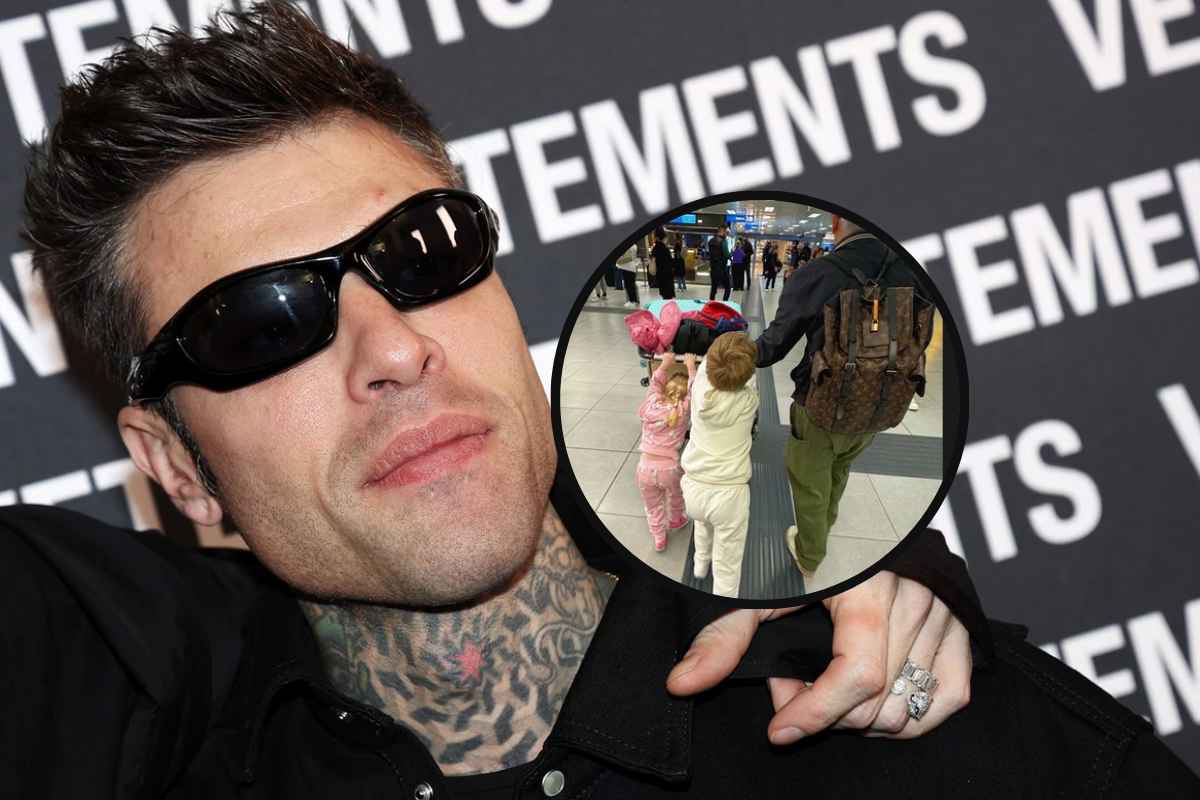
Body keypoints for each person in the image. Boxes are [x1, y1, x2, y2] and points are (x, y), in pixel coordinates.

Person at [7, 3, 1197, 797]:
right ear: (178, 466)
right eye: (258, 323)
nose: (394, 348)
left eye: (423, 251)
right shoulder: (129, 738)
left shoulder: (907, 716)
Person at [755, 217, 913, 580]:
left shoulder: (819, 273)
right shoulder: (910, 271)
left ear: (836, 221)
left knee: (809, 481)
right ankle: (824, 523)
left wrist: (728, 351)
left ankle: (809, 556)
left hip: (822, 406)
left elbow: (771, 348)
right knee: (840, 467)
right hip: (881, 404)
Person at [680, 333, 759, 598]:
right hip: (730, 495)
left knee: (702, 524)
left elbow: (705, 367)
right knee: (728, 560)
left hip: (693, 488)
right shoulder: (749, 400)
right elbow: (749, 375)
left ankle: (700, 565)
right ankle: (723, 600)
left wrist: (694, 364)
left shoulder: (699, 390)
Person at [636, 352, 697, 551]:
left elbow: (654, 384)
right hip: (669, 469)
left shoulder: (651, 404)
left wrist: (665, 365)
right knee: (676, 495)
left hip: (644, 468)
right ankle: (676, 519)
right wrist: (690, 367)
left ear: (666, 388)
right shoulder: (682, 410)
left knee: (653, 506)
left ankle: (659, 537)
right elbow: (694, 391)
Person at [707, 224, 731, 301]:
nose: (726, 233)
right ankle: (724, 303)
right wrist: (731, 254)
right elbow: (727, 255)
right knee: (728, 287)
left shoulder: (711, 241)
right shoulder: (723, 241)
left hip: (713, 268)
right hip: (722, 269)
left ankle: (711, 303)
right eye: (726, 232)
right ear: (722, 231)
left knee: (714, 288)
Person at [651, 226, 675, 300]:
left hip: (661, 275)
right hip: (667, 276)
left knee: (665, 295)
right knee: (668, 296)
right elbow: (670, 262)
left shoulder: (655, 248)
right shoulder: (664, 248)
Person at [617, 242, 640, 307]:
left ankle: (632, 300)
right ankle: (634, 300)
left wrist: (619, 261)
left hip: (627, 267)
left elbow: (628, 257)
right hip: (631, 267)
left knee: (629, 285)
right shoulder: (634, 245)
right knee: (631, 285)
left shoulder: (630, 246)